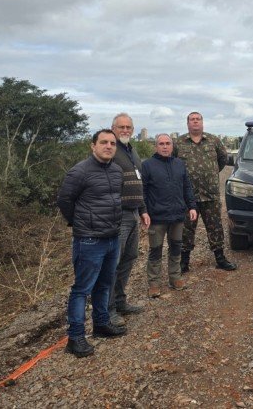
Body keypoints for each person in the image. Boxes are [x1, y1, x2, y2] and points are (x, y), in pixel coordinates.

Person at [57, 129, 126, 358]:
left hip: (112, 237)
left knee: (104, 285)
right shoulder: (79, 172)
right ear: (93, 146)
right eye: (104, 142)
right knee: (81, 289)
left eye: (112, 143)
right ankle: (75, 338)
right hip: (89, 239)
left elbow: (115, 200)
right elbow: (65, 200)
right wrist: (78, 223)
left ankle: (101, 325)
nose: (108, 146)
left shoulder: (117, 171)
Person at [174, 112, 237, 272]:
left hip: (211, 194)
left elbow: (222, 160)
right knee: (186, 229)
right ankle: (184, 262)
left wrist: (210, 174)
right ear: (187, 123)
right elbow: (173, 164)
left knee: (215, 227)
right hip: (188, 196)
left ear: (202, 122)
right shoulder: (179, 143)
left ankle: (220, 259)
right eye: (192, 120)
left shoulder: (214, 140)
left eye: (198, 119)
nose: (195, 122)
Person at [141, 134, 197, 298]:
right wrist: (143, 211)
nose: (165, 147)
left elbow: (187, 187)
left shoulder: (179, 164)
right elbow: (142, 190)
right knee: (155, 251)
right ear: (156, 146)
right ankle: (154, 283)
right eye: (161, 144)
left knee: (176, 248)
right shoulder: (148, 165)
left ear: (172, 146)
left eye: (167, 144)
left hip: (177, 216)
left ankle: (175, 278)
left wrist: (191, 206)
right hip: (157, 218)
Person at [108, 113, 151, 327]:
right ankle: (108, 310)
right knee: (113, 262)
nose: (125, 130)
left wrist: (143, 209)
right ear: (113, 128)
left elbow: (138, 182)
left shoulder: (131, 150)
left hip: (133, 213)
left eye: (129, 127)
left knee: (130, 257)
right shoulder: (111, 149)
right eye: (121, 127)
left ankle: (120, 301)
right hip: (118, 215)